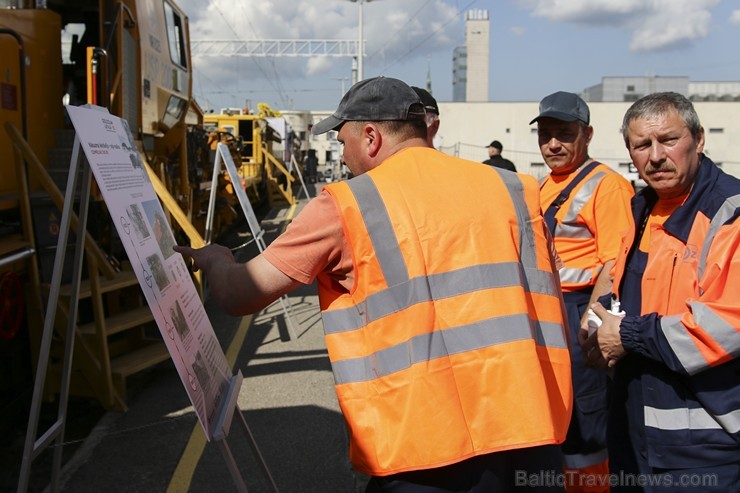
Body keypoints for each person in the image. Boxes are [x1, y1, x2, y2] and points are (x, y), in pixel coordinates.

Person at [175, 76, 573, 492]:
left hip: (422, 449)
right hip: (531, 431)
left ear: (370, 137)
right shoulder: (516, 190)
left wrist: (216, 261)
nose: (342, 156)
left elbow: (241, 293)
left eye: (341, 140)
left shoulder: (346, 204)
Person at [581, 92, 740, 491]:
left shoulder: (729, 213)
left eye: (668, 139)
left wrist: (627, 335)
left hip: (706, 441)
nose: (655, 156)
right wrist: (599, 319)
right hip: (635, 433)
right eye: (641, 145)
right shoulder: (642, 209)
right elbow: (630, 290)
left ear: (699, 139)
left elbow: (726, 324)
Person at [531, 91, 635, 492]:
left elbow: (615, 264)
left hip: (581, 309)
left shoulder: (606, 186)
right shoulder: (546, 185)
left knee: (587, 416)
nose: (553, 144)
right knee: (562, 411)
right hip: (553, 310)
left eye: (564, 134)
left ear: (586, 135)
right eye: (545, 135)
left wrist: (591, 326)